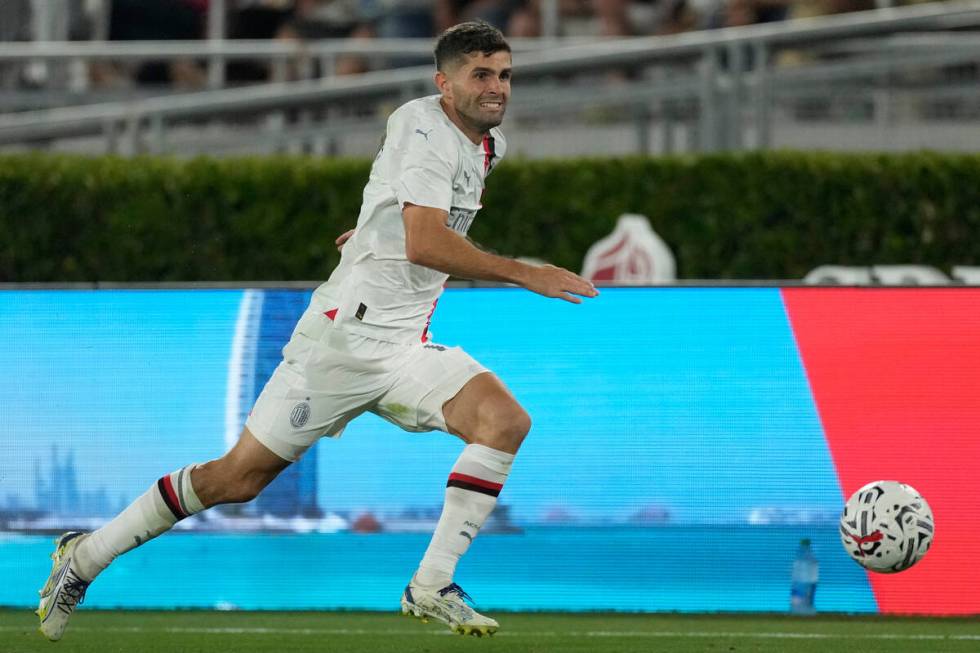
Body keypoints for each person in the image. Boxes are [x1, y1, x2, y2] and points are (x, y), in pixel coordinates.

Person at [36, 19, 598, 641]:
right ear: (445, 83)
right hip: (341, 344)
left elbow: (407, 216)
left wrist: (373, 231)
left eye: (505, 74)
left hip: (403, 347)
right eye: (482, 75)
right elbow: (425, 242)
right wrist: (525, 272)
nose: (498, 88)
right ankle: (83, 557)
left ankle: (431, 586)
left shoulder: (487, 146)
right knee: (237, 480)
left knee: (505, 421)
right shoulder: (423, 126)